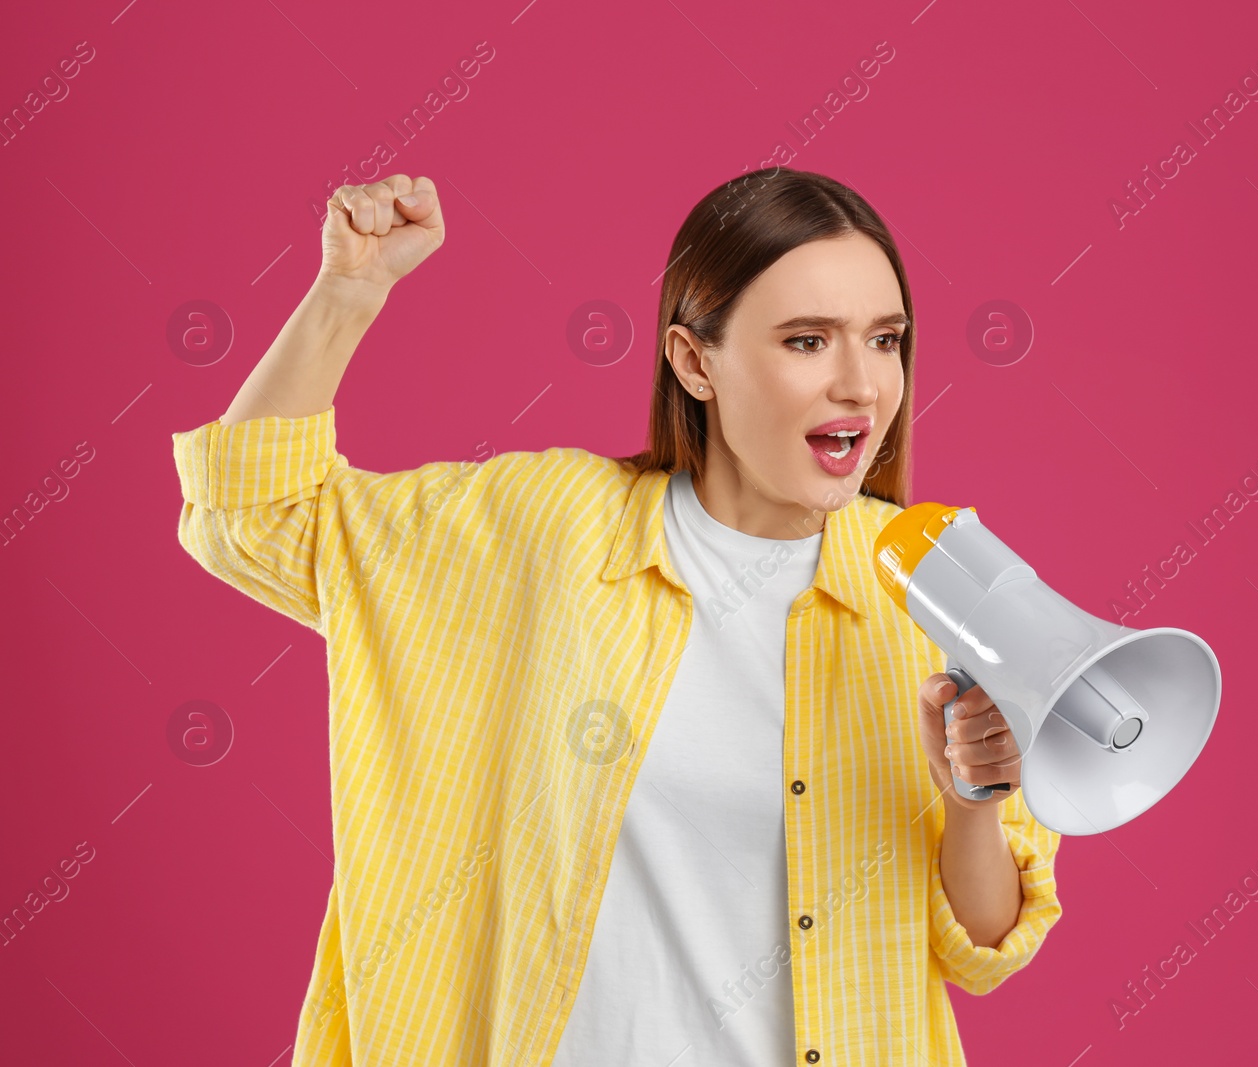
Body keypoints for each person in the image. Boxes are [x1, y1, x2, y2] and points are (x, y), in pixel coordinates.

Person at [171, 168, 1061, 1065]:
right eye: (806, 341)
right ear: (692, 360)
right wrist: (348, 293)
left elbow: (982, 945)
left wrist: (972, 803)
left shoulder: (939, 583)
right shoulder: (551, 527)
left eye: (884, 340)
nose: (861, 385)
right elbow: (255, 518)